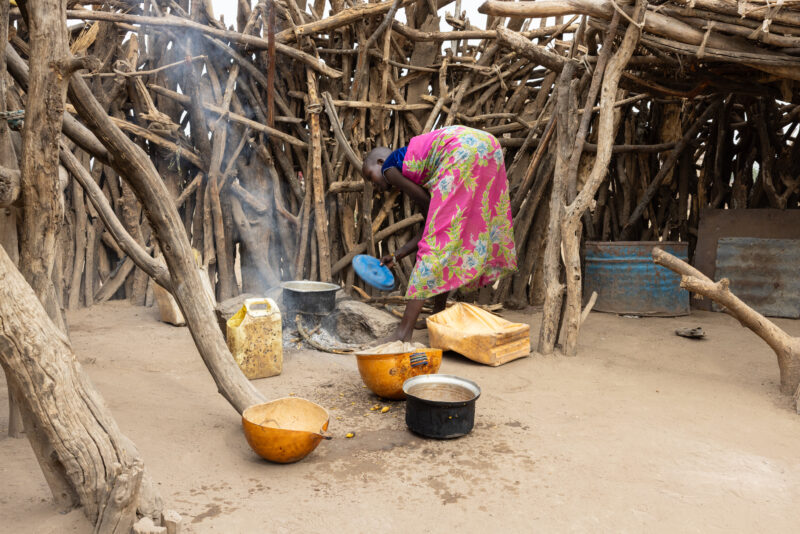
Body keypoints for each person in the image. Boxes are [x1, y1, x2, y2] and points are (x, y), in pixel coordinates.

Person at [361, 125, 517, 342]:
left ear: (380, 163)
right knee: (448, 243)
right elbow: (431, 222)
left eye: (370, 177)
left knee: (434, 248)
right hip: (488, 147)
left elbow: (429, 210)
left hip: (461, 151)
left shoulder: (390, 168)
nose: (375, 186)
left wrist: (410, 248)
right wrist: (397, 255)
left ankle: (403, 332)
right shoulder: (422, 162)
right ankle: (437, 315)